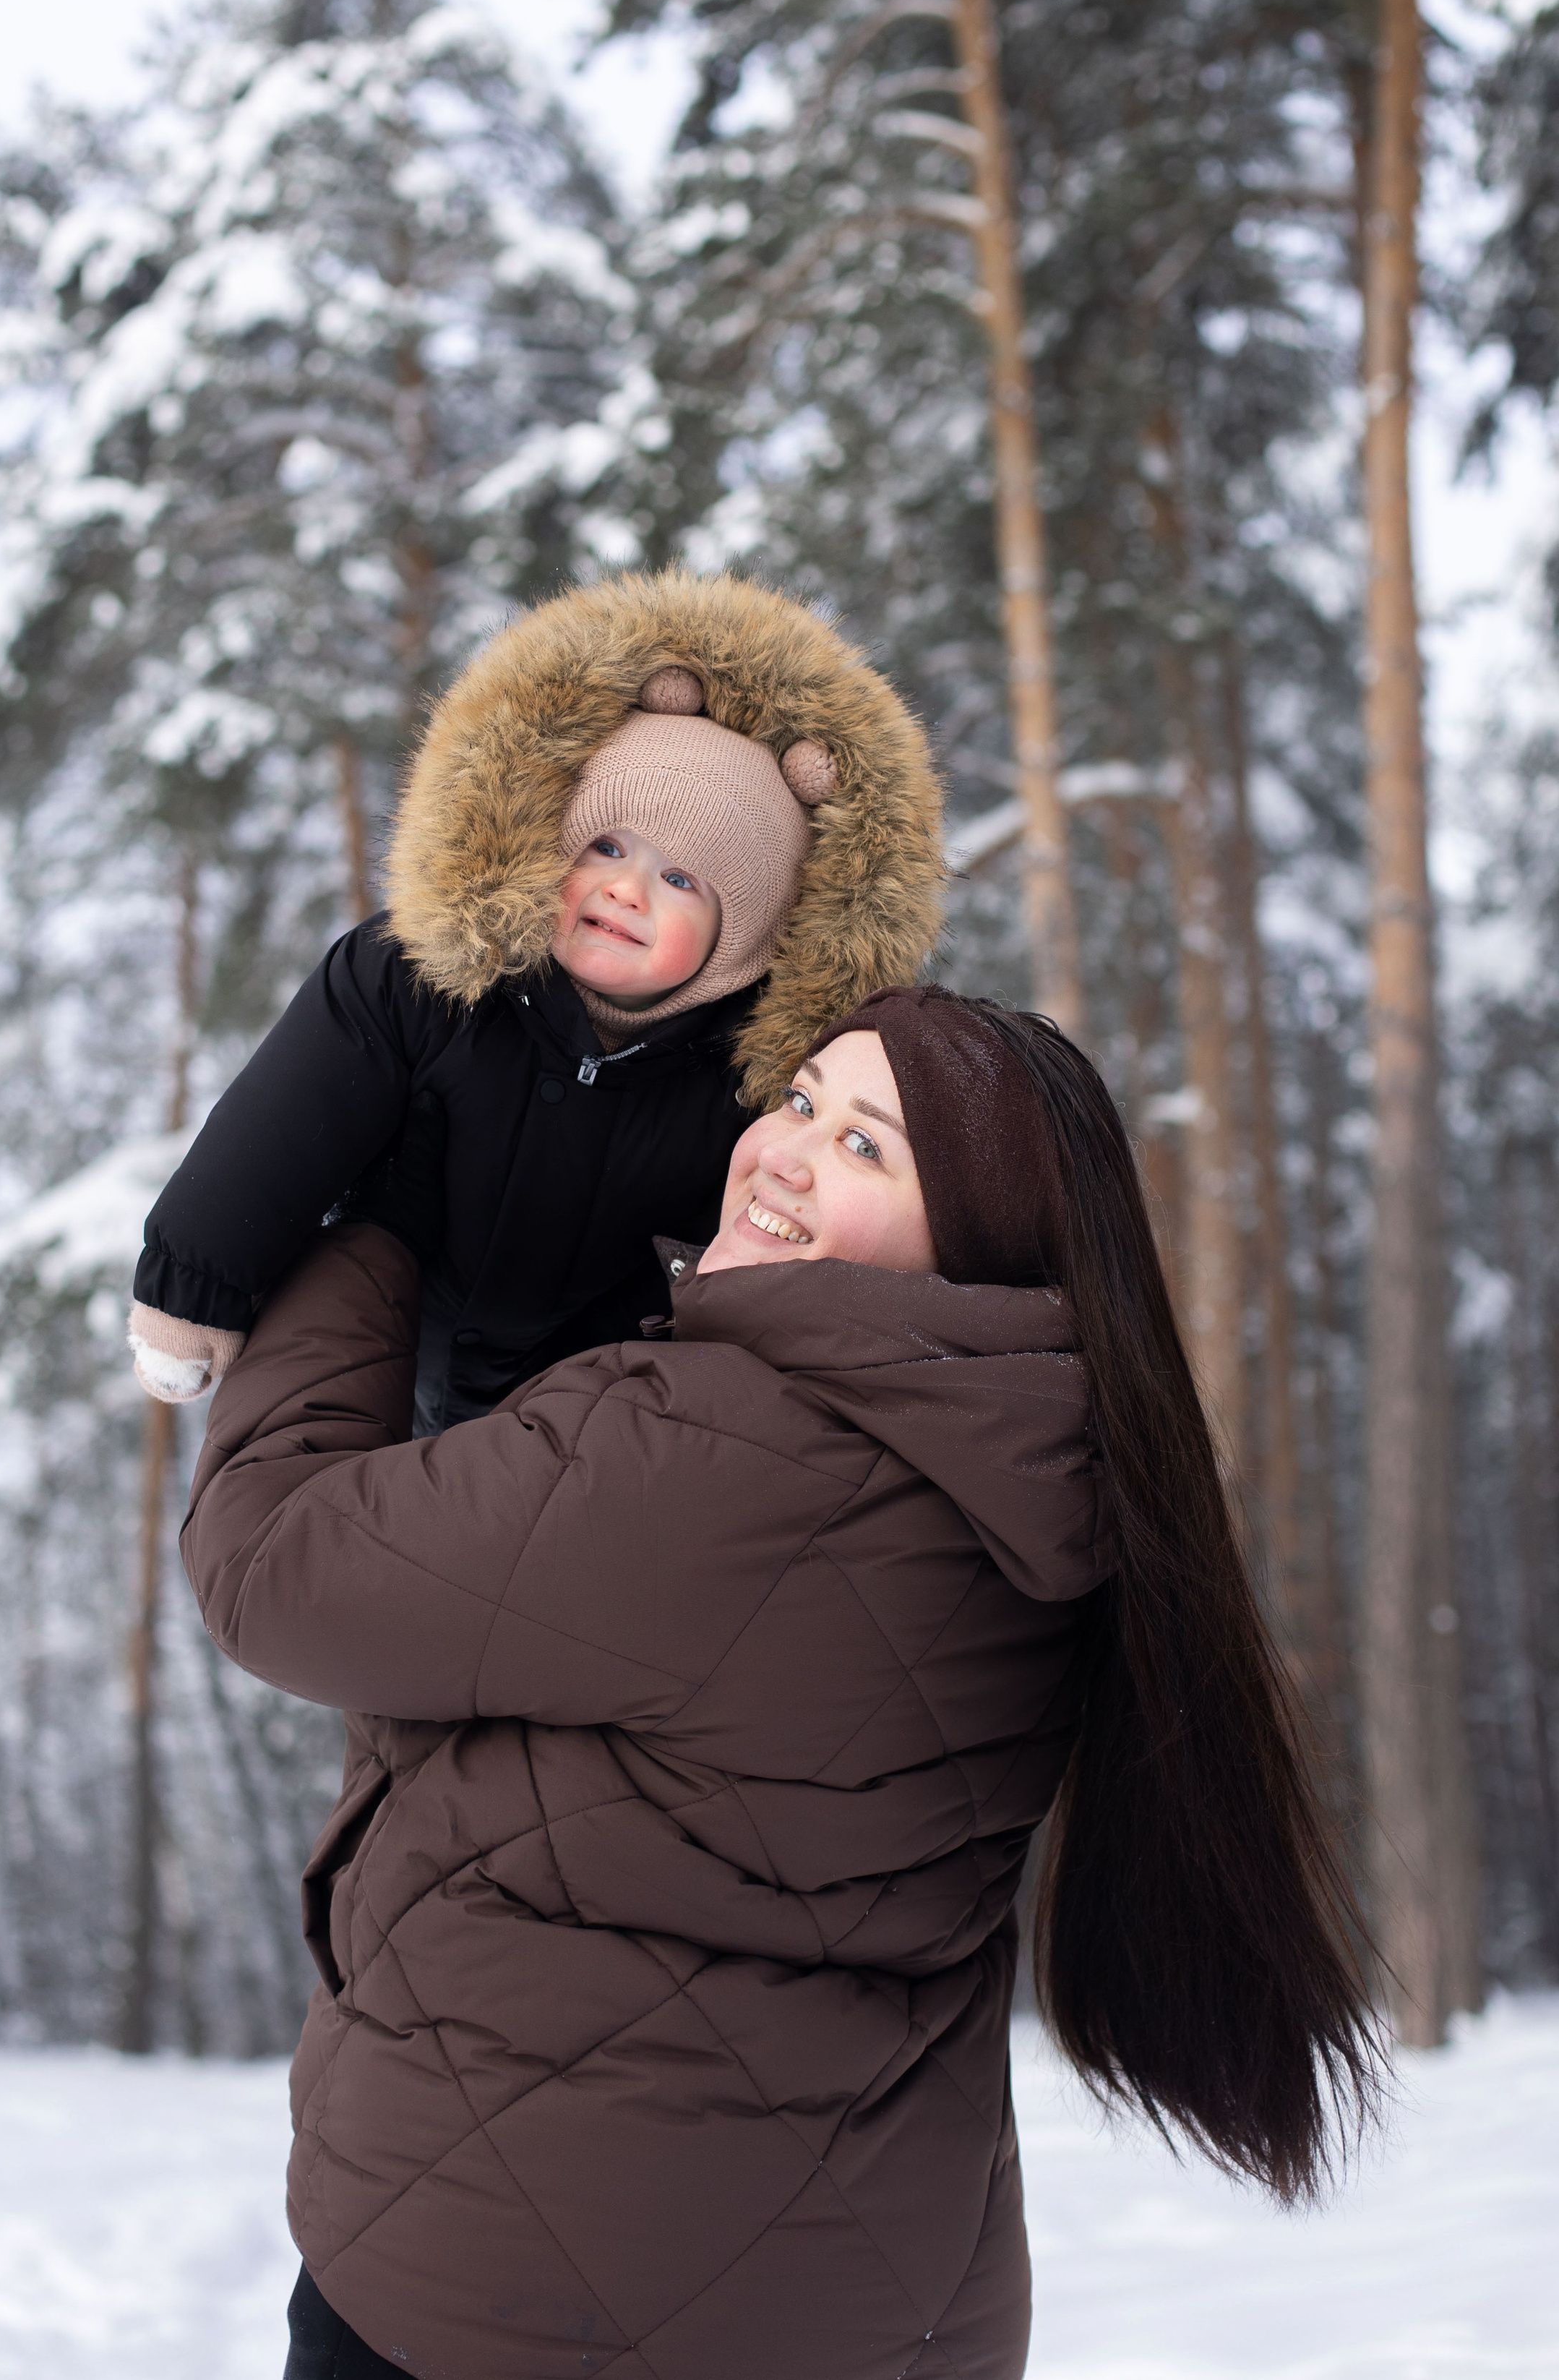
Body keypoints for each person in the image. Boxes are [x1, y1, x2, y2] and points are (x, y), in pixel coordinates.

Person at [182, 988, 1380, 2380]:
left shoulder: (718, 1449)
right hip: (879, 2303)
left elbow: (271, 1566)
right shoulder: (1048, 1481)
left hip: (518, 2288)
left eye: (869, 1146)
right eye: (799, 1100)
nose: (785, 1152)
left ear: (974, 1245)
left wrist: (375, 1232)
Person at [126, 564, 944, 1433]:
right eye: (604, 846)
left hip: (582, 1404)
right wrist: (197, 1288)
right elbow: (283, 1123)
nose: (625, 889)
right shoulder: (422, 978)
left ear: (743, 944)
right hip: (393, 1340)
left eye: (678, 879)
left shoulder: (739, 1088)